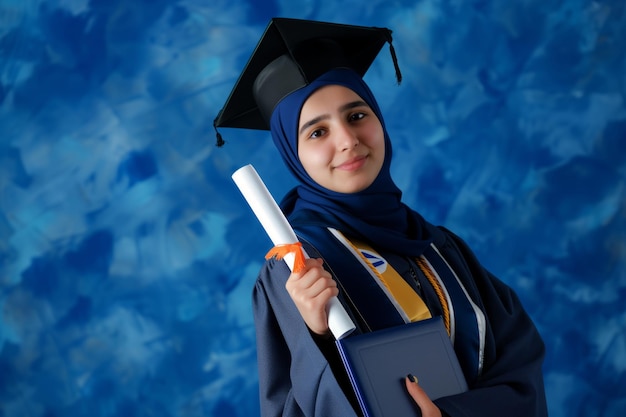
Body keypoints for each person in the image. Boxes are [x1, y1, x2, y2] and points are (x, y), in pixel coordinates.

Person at [215, 18, 548, 417]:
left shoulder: (439, 245)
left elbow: (519, 364)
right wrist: (316, 336)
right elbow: (295, 408)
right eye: (316, 133)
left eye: (356, 115)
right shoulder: (296, 267)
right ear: (293, 154)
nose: (347, 140)